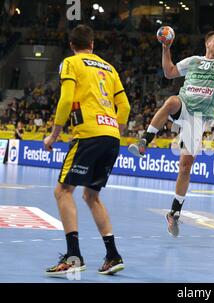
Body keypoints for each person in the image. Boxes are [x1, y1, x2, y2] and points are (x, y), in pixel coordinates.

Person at [128, 27, 214, 237]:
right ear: (207, 44)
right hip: (183, 105)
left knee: (185, 166)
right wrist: (166, 48)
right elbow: (169, 72)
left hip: (199, 118)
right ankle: (144, 142)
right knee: (171, 101)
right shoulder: (193, 61)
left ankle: (174, 212)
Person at [43, 25, 131, 276]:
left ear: (72, 45)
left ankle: (73, 257)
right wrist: (115, 130)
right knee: (91, 196)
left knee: (63, 191)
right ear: (92, 45)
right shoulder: (109, 67)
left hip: (88, 134)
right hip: (111, 136)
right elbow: (124, 106)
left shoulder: (71, 63)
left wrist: (53, 135)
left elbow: (66, 100)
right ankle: (113, 256)